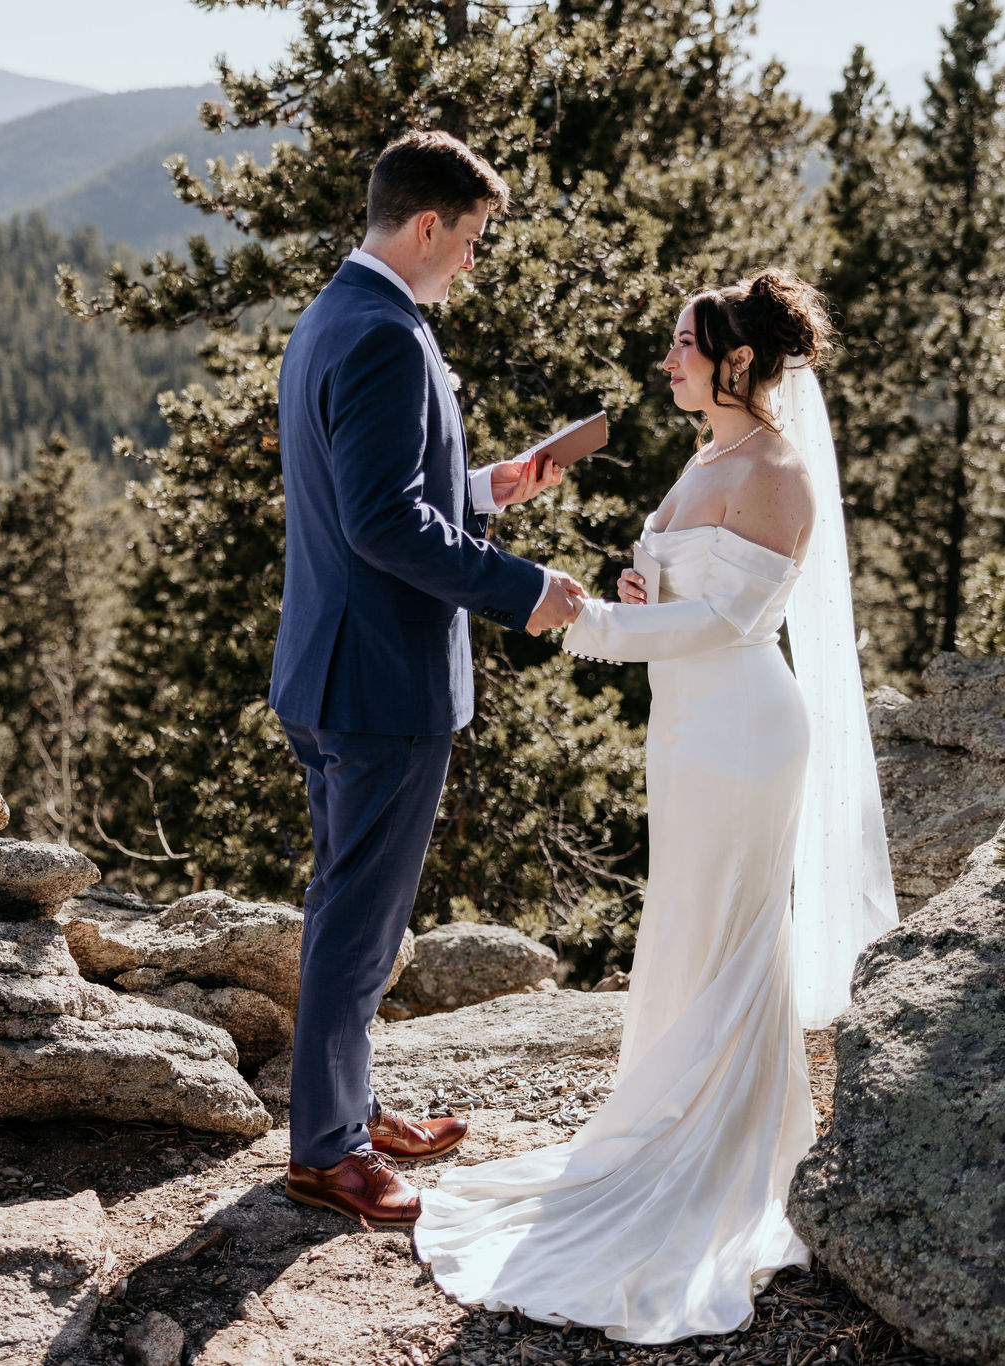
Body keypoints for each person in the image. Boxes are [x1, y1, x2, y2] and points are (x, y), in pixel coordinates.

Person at [412, 268, 900, 1342]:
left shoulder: (775, 469)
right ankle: (667, 1122)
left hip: (739, 734)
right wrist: (641, 594)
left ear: (734, 361)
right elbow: (690, 595)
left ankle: (714, 1155)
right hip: (686, 734)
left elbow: (728, 626)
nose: (668, 359)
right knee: (683, 928)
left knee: (726, 936)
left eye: (684, 343)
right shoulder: (711, 453)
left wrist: (588, 624)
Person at [270, 130, 587, 1226]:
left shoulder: (333, 315)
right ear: (424, 227)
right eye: (471, 238)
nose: (472, 260)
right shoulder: (388, 337)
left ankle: (345, 1109)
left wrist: (485, 488)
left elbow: (384, 484)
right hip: (380, 683)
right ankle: (325, 1152)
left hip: (326, 665)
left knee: (345, 908)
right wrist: (518, 585)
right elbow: (377, 520)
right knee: (357, 919)